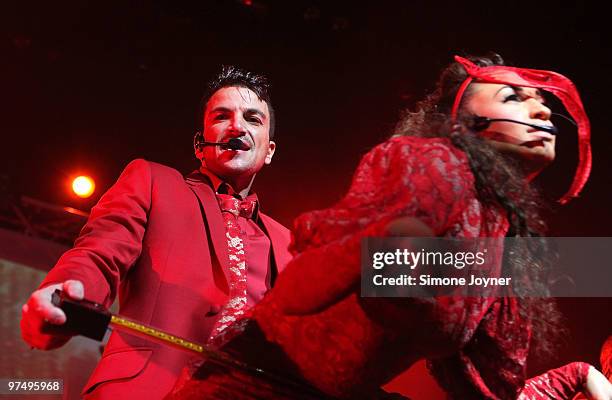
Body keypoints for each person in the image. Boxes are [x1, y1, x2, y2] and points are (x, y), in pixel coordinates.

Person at [169, 54, 610, 399]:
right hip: (251, 383)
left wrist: (578, 377)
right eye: (514, 98)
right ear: (469, 125)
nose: (543, 108)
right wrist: (396, 257)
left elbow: (492, 389)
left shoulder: (502, 244)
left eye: (539, 98)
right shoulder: (435, 166)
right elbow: (306, 289)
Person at [20, 66, 292, 399]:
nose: (237, 126)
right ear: (198, 145)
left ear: (270, 151)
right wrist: (64, 290)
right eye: (222, 116)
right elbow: (100, 252)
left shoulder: (291, 242)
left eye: (253, 119)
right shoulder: (152, 181)